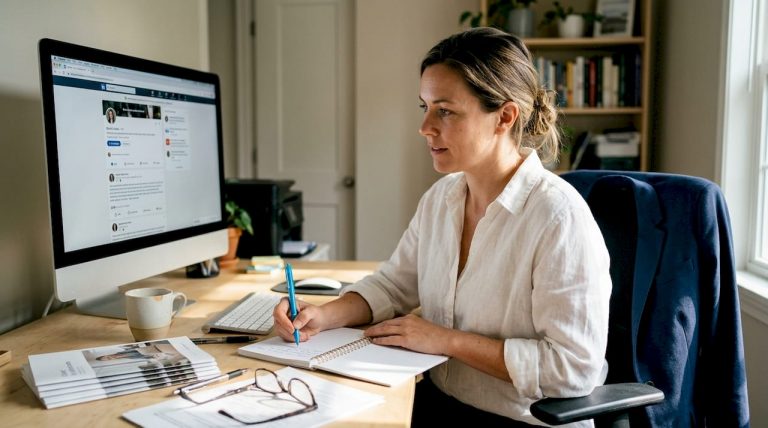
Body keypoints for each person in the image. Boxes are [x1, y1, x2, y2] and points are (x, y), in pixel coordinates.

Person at [273, 27, 611, 427]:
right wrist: (324, 315)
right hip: (437, 404)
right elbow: (394, 286)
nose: (426, 127)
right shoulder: (442, 198)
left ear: (504, 116)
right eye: (425, 107)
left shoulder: (558, 218)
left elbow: (573, 368)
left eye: (445, 111)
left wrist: (445, 340)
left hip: (523, 420)